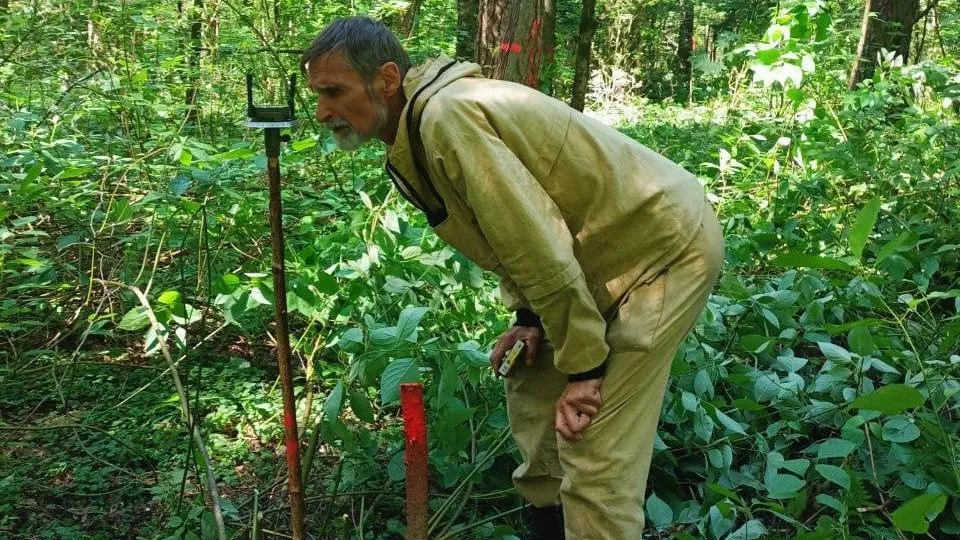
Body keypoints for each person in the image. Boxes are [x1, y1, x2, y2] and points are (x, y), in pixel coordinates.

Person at [301, 16, 724, 540]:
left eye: (334, 92)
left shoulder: (447, 119)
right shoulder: (417, 128)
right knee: (534, 383)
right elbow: (507, 234)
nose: (322, 112)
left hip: (661, 250)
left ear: (387, 78)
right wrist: (530, 318)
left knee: (593, 444)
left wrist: (587, 368)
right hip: (600, 256)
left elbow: (537, 246)